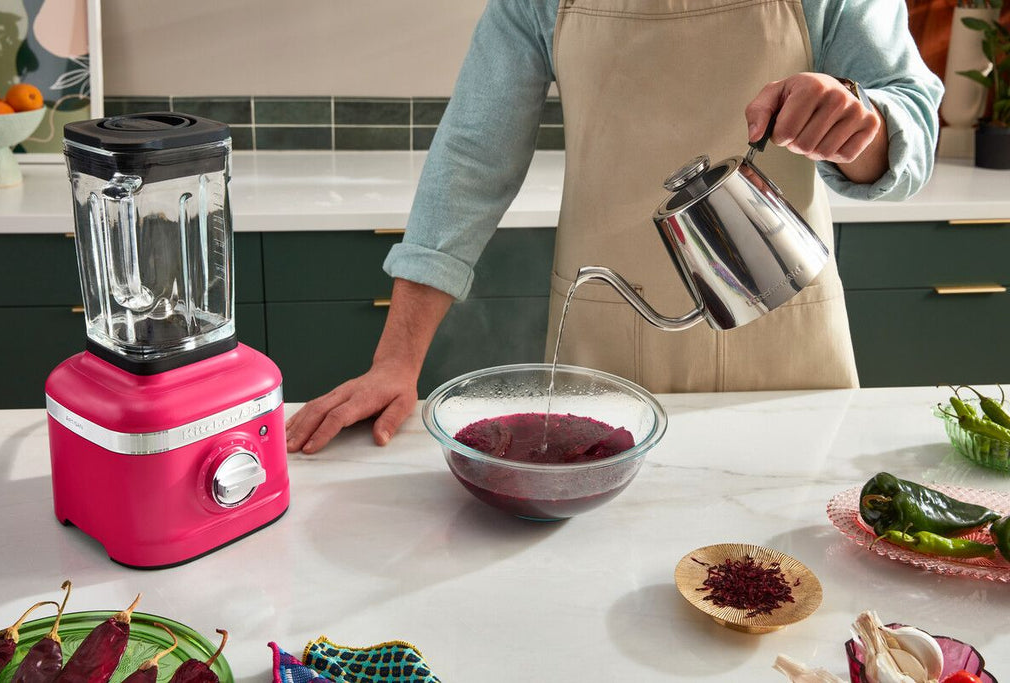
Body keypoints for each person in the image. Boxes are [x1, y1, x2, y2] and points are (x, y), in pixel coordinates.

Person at [286, 0, 943, 454]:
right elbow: (472, 157)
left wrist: (860, 123)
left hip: (789, 340)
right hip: (604, 351)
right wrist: (396, 361)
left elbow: (909, 112)